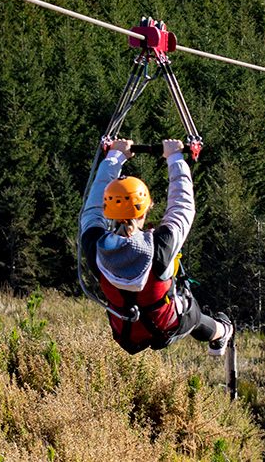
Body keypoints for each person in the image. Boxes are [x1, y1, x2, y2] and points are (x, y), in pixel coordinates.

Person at [79, 137, 233, 356]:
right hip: (167, 326)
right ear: (147, 208)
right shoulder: (160, 245)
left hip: (126, 333)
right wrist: (175, 157)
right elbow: (182, 206)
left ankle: (216, 331)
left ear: (108, 209)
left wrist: (115, 155)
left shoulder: (95, 244)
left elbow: (93, 205)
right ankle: (223, 332)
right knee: (193, 316)